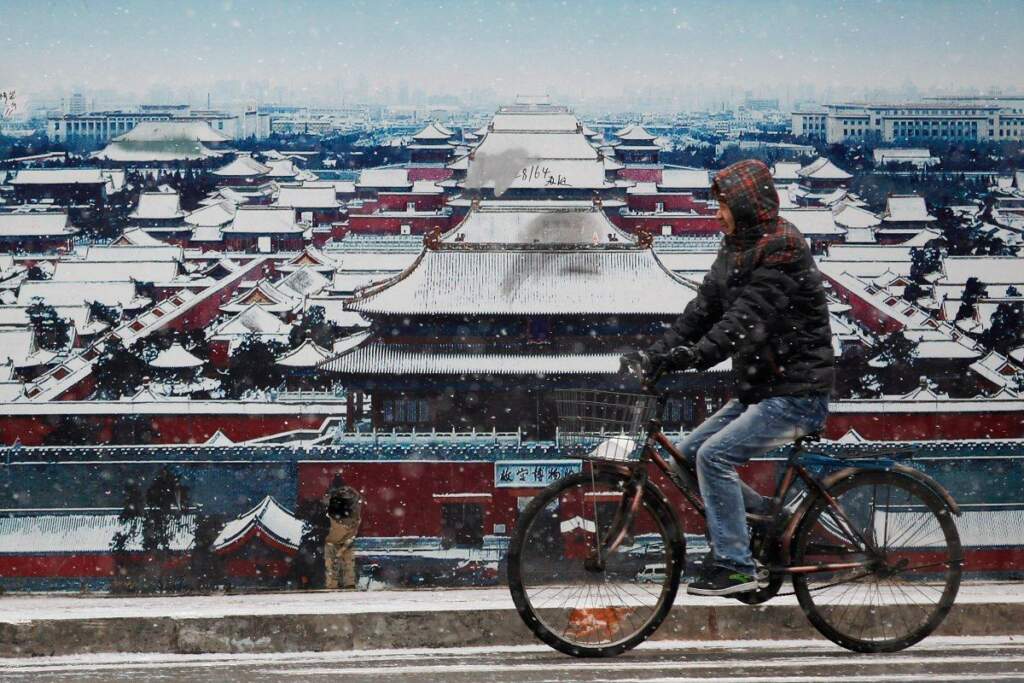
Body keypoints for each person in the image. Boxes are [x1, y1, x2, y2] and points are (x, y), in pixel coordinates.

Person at [623, 159, 834, 597]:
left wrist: (696, 357)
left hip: (797, 392)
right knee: (686, 455)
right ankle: (764, 523)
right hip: (762, 390)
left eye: (723, 206)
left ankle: (736, 564)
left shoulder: (783, 248)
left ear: (744, 204)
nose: (717, 215)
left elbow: (744, 320)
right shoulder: (736, 245)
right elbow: (703, 311)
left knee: (713, 457)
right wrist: (658, 353)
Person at [322, 472, 363, 590]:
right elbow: (357, 516)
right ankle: (349, 583)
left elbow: (326, 514)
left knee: (330, 561)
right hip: (349, 531)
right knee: (348, 561)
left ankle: (332, 584)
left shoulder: (331, 498)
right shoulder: (353, 497)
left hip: (334, 532)